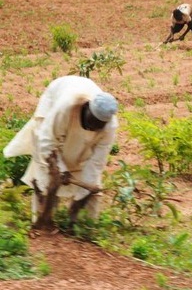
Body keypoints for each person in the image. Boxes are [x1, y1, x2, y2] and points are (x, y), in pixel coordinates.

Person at [3, 76, 119, 229]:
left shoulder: (109, 127)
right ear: (86, 108)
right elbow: (47, 141)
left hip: (76, 137)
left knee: (91, 190)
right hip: (55, 101)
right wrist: (60, 169)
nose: (93, 127)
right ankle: (41, 222)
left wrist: (78, 201)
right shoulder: (66, 107)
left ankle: (85, 227)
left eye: (99, 125)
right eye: (92, 121)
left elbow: (95, 163)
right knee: (46, 173)